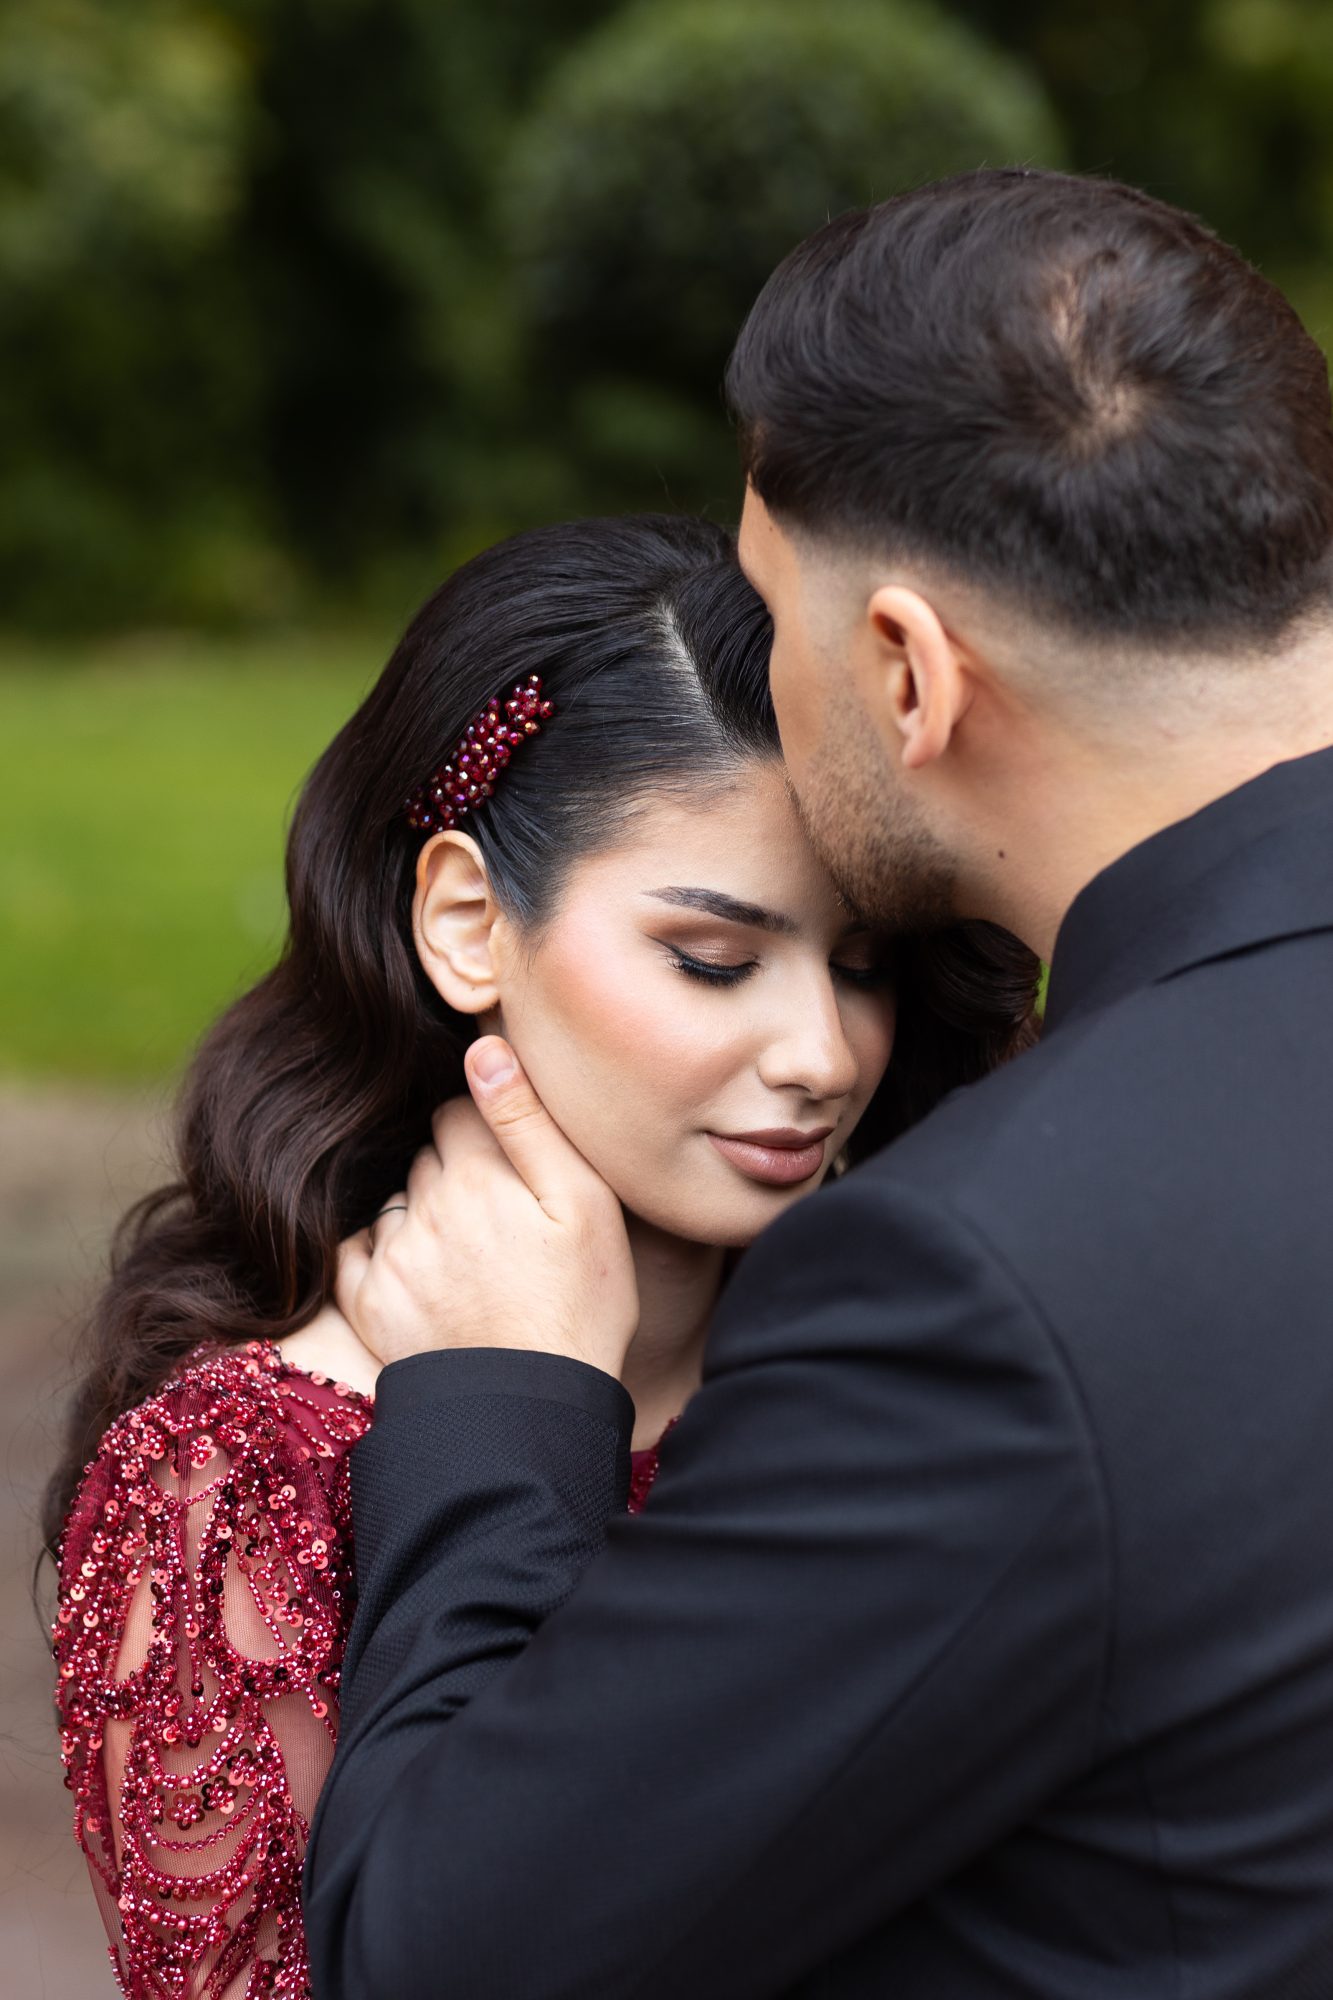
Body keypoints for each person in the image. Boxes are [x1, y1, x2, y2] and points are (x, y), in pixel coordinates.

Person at [300, 167, 1333, 1998]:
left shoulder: (999, 1273)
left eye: (770, 619)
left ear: (904, 673)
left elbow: (448, 1954)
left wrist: (498, 1406)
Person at [45, 513, 1036, 1998]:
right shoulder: (232, 1473)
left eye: (861, 965)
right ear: (464, 922)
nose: (821, 1056)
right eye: (711, 960)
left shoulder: (916, 1370)